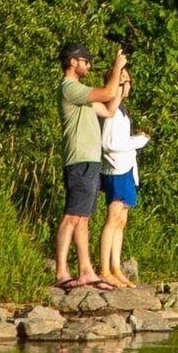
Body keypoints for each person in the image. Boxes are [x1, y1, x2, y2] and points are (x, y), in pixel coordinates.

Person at [53, 42, 123, 285]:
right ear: (72, 62)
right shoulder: (69, 88)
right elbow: (106, 93)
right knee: (71, 216)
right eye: (85, 60)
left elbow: (109, 109)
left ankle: (86, 271)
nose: (88, 65)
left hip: (90, 161)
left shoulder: (81, 92)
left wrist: (121, 84)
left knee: (83, 218)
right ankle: (62, 272)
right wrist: (116, 67)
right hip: (78, 160)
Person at [95, 72, 149, 285]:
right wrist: (138, 141)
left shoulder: (122, 110)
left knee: (121, 219)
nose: (128, 84)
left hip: (126, 168)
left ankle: (115, 267)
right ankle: (104, 269)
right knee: (113, 218)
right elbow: (109, 144)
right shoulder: (111, 110)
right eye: (124, 80)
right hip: (116, 169)